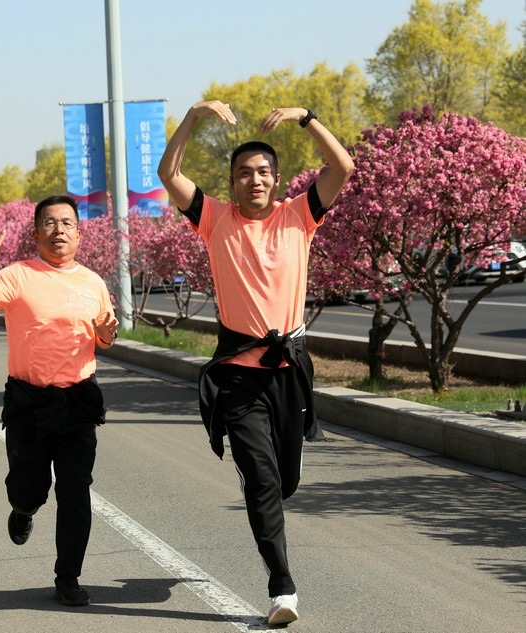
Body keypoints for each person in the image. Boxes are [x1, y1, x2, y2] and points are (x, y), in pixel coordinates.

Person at [157, 102, 354, 626]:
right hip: (239, 375)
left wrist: (306, 117)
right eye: (244, 173)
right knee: (263, 482)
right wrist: (193, 117)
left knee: (283, 482)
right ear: (232, 182)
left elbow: (343, 167)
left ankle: (272, 475)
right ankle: (282, 589)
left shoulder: (299, 216)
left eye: (263, 171)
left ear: (277, 179)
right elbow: (169, 174)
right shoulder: (214, 219)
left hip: (289, 372)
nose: (255, 180)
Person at [0, 194, 119, 607]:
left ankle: (68, 577)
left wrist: (107, 334)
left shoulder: (93, 283)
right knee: (28, 489)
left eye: (67, 223)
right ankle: (23, 509)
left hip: (78, 400)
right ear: (35, 233)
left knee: (75, 491)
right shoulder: (18, 275)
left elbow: (104, 337)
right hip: (28, 400)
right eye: (49, 222)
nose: (58, 230)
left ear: (79, 234)